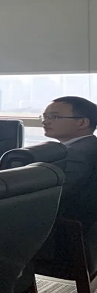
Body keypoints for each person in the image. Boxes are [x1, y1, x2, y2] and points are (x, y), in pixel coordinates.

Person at [41, 96, 97, 226]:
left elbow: (60, 196)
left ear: (82, 123)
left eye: (54, 117)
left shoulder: (74, 154)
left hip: (65, 226)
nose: (45, 122)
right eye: (44, 117)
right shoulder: (91, 145)